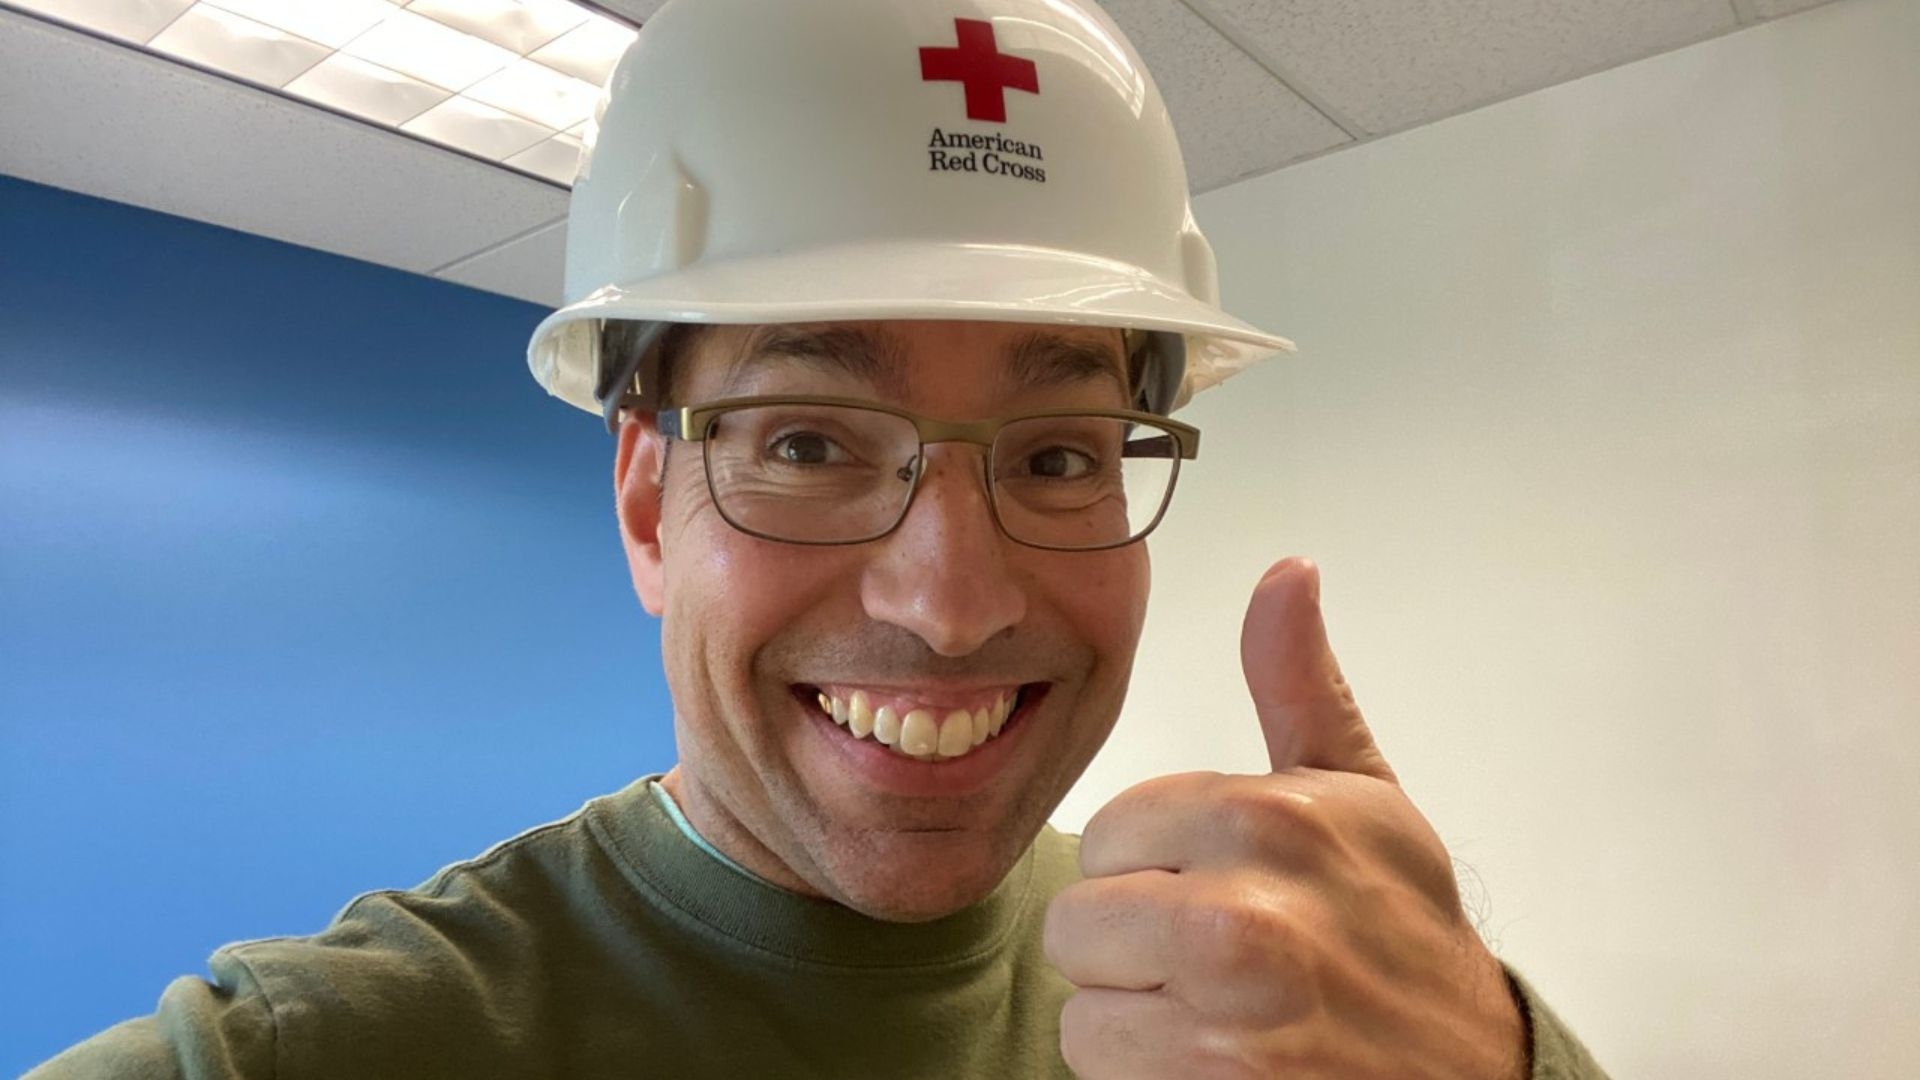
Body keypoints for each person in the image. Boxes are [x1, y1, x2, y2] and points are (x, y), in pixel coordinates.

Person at [30, 0, 1610, 1076]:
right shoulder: (319, 1049)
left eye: (1059, 453)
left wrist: (1498, 1053)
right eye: (802, 442)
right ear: (649, 503)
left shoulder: (1251, 1000)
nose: (951, 602)